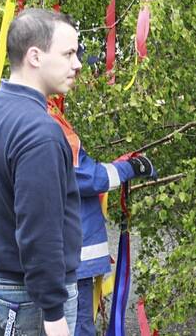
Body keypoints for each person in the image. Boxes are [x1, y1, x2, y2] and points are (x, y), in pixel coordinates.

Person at [0, 9, 83, 336]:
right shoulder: (40, 134)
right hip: (28, 299)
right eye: (68, 53)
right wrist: (54, 316)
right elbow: (40, 231)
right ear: (35, 57)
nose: (77, 63)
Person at [47, 96, 157, 336]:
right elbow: (86, 177)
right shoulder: (49, 121)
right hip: (72, 258)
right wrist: (131, 168)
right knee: (78, 327)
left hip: (61, 256)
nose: (75, 68)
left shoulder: (34, 115)